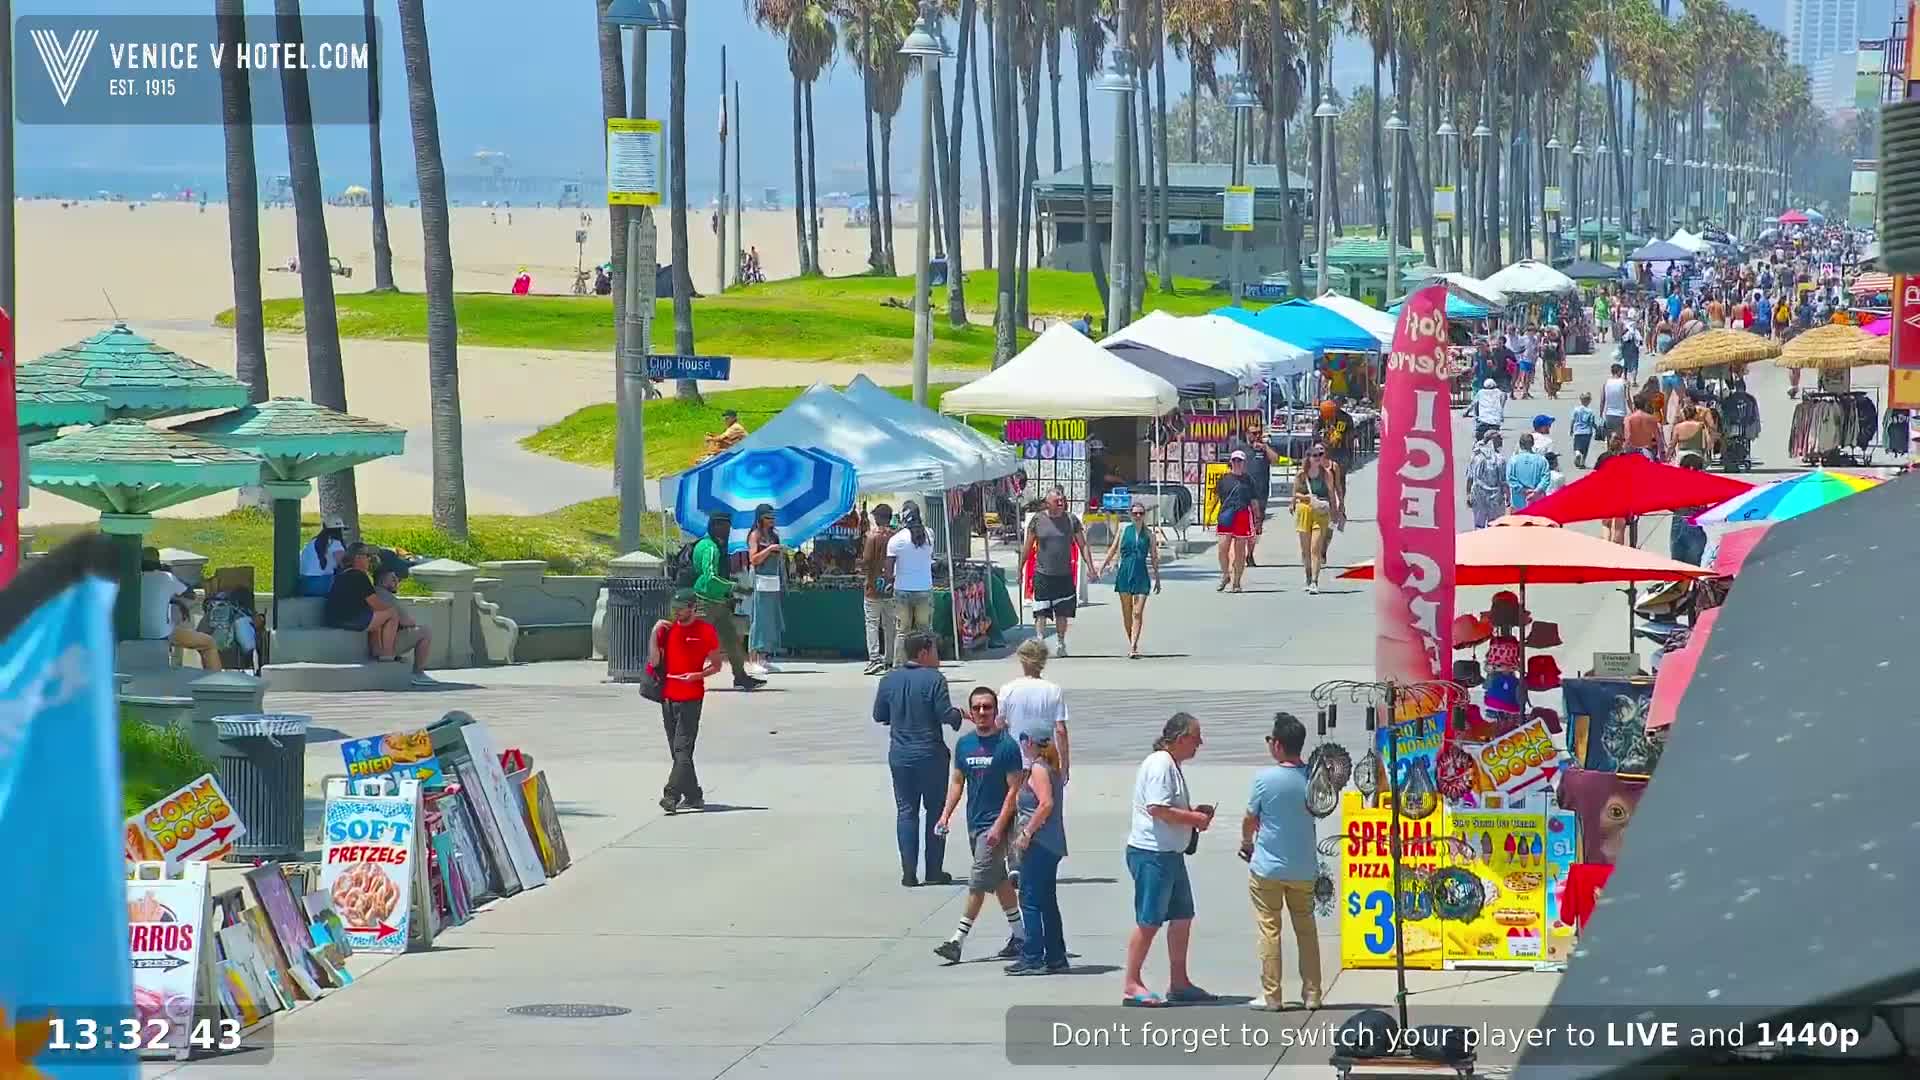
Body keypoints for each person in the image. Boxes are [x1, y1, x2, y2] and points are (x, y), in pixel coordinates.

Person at [1121, 713, 1216, 1008]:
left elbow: (1166, 806)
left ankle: (1179, 981)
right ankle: (1132, 983)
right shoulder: (1161, 764)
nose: (1199, 743)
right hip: (1152, 854)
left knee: (1182, 916)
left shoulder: (1170, 764)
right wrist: (1194, 818)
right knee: (1149, 920)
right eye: (1195, 737)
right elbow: (1157, 809)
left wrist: (1191, 812)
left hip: (1169, 854)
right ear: (1180, 738)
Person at [933, 686, 1028, 964]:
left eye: (988, 707)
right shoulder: (964, 744)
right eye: (977, 708)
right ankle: (1022, 936)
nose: (983, 712)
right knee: (999, 881)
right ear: (971, 713)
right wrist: (944, 815)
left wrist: (1000, 826)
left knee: (977, 882)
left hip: (996, 826)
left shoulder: (1007, 747)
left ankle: (956, 941)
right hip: (974, 824)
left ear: (996, 711)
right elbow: (957, 782)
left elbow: (1014, 791)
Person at [1241, 713, 1322, 1011]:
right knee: (1306, 930)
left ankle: (1272, 995)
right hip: (1303, 867)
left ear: (1277, 744)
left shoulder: (1265, 780)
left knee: (1269, 930)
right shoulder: (1313, 777)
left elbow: (1250, 819)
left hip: (1267, 868)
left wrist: (1246, 844)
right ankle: (1312, 993)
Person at [873, 630, 963, 888]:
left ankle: (909, 872)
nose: (939, 656)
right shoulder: (935, 679)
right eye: (935, 650)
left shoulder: (889, 679)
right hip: (930, 754)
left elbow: (879, 715)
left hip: (900, 755)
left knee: (906, 811)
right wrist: (958, 715)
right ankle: (934, 869)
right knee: (936, 811)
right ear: (923, 653)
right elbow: (944, 713)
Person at [646, 589, 722, 813]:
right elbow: (654, 660)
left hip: (691, 698)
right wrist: (654, 632)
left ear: (692, 607)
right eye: (674, 609)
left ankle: (671, 795)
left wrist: (696, 676)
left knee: (682, 749)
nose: (676, 613)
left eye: (681, 609)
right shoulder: (668, 630)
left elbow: (716, 665)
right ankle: (694, 795)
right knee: (678, 752)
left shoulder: (706, 631)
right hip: (669, 698)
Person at [1007, 727, 1069, 976]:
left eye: (1022, 741)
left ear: (1029, 742)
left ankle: (1033, 956)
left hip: (1039, 844)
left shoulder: (1039, 769)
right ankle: (1055, 956)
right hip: (1051, 843)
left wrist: (1026, 833)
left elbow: (1046, 804)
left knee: (1030, 900)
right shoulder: (1051, 768)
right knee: (1046, 901)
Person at [325, 543, 434, 685]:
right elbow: (376, 604)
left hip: (337, 618)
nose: (369, 560)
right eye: (367, 556)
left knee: (381, 616)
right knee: (390, 613)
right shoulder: (359, 576)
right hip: (349, 620)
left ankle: (381, 651)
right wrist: (394, 614)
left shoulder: (343, 574)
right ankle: (389, 655)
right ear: (357, 558)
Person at [691, 512, 764, 691]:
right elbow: (710, 577)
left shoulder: (713, 545)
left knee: (732, 641)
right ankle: (685, 676)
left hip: (718, 602)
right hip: (705, 603)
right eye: (722, 526)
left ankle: (740, 676)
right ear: (713, 526)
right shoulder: (710, 548)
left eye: (728, 526)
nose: (726, 530)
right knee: (696, 643)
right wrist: (735, 587)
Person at [1023, 488, 1092, 655]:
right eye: (1057, 501)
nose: (1061, 503)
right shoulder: (1037, 520)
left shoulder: (1071, 520)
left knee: (1062, 612)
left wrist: (1090, 566)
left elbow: (1082, 545)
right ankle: (1040, 643)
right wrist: (1020, 568)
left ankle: (1061, 643)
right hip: (1043, 574)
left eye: (1062, 500)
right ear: (1048, 503)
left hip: (1064, 574)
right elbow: (1027, 546)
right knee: (1040, 611)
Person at [998, 637, 1072, 784]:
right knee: (1047, 802)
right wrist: (1065, 766)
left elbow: (999, 725)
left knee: (1016, 803)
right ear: (1043, 661)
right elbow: (1060, 731)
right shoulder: (1053, 690)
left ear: (1022, 659)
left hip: (1016, 760)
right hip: (1046, 760)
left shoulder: (1008, 689)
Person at [138, 549, 221, 672]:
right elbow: (190, 595)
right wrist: (169, 573)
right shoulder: (166, 577)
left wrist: (173, 600)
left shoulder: (130, 579)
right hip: (160, 633)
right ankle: (216, 682)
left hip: (136, 631)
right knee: (209, 643)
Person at [1100, 501, 1161, 658]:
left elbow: (1154, 557)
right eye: (1135, 513)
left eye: (1141, 513)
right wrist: (1102, 567)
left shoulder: (1149, 535)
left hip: (1141, 573)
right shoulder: (1123, 530)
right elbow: (1114, 549)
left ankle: (1134, 645)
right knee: (1127, 612)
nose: (1138, 516)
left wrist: (1157, 577)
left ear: (1145, 515)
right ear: (1130, 514)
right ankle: (1131, 642)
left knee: (1137, 612)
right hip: (1125, 573)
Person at [887, 503, 937, 666]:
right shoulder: (929, 534)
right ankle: (928, 664)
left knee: (902, 632)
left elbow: (888, 571)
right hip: (924, 589)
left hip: (902, 590)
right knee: (925, 631)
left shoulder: (896, 540)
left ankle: (899, 666)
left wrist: (889, 581)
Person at [1292, 442, 1344, 595]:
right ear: (1308, 458)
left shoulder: (1326, 473)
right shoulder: (1301, 474)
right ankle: (1308, 577)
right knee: (1305, 550)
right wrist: (1307, 497)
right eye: (1315, 455)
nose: (1318, 458)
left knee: (1316, 548)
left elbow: (1331, 493)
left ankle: (1315, 581)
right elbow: (1295, 494)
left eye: (1320, 455)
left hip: (1321, 512)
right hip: (1304, 511)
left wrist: (1335, 511)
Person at [1229, 419, 1281, 565]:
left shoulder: (1264, 449)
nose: (1257, 435)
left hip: (1261, 492)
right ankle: (1239, 552)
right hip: (1243, 492)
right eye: (1254, 433)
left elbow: (1276, 460)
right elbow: (1231, 468)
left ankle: (1250, 553)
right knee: (1241, 523)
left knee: (1256, 525)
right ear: (1247, 434)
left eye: (1259, 433)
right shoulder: (1241, 449)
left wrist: (1265, 448)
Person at [745, 504, 786, 676]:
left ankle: (764, 657)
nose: (771, 521)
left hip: (773, 581)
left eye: (773, 518)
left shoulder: (774, 536)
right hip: (760, 581)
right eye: (768, 518)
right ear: (760, 518)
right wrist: (769, 550)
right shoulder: (755, 536)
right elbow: (753, 559)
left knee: (770, 620)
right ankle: (753, 658)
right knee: (759, 620)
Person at [861, 504, 897, 675]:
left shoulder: (872, 536)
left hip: (873, 588)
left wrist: (865, 572)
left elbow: (867, 560)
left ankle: (874, 658)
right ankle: (890, 658)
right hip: (890, 587)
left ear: (879, 517)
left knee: (872, 624)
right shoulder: (895, 536)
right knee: (890, 624)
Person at [1213, 450, 1256, 593]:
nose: (1237, 463)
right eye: (1235, 461)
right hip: (1226, 515)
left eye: (1240, 461)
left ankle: (1237, 582)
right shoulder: (1224, 479)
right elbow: (1216, 498)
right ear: (1231, 462)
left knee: (1240, 551)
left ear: (1244, 463)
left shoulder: (1248, 480)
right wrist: (1211, 517)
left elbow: (1254, 500)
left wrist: (1258, 520)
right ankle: (1226, 574)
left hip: (1243, 514)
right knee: (1222, 547)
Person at [1669, 454, 1711, 565]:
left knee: (1678, 568)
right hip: (1693, 525)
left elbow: (1670, 505)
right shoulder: (1702, 483)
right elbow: (1704, 510)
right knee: (1691, 568)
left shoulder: (1677, 483)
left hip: (1679, 524)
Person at [1593, 430, 1633, 544]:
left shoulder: (1603, 457)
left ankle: (1606, 547)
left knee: (1606, 523)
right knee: (1620, 525)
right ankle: (1618, 550)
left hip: (1607, 493)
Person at [1467, 430, 1508, 529]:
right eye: (1499, 439)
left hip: (1478, 494)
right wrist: (1508, 496)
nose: (1501, 442)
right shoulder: (1500, 459)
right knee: (1494, 526)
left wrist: (1468, 494)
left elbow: (1470, 477)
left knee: (1479, 525)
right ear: (1494, 442)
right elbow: (1503, 481)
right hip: (1495, 497)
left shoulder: (1476, 456)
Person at [295, 519, 347, 597]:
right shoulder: (335, 543)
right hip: (322, 585)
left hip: (304, 585)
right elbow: (345, 564)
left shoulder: (312, 542)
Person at [1506, 433, 1552, 511]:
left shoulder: (1513, 460)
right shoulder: (1542, 460)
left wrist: (1523, 490)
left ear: (1520, 445)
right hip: (1538, 500)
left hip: (1519, 502)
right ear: (1533, 444)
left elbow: (1510, 479)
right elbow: (1546, 478)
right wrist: (1536, 491)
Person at [1625, 394, 1663, 459]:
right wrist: (1661, 454)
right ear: (1644, 405)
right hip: (1647, 450)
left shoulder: (1629, 419)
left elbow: (1628, 437)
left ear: (1635, 405)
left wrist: (1626, 451)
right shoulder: (1651, 418)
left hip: (1634, 450)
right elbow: (1658, 438)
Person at [1599, 363, 1631, 441]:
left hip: (1609, 413)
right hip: (1621, 414)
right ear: (1619, 371)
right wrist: (1632, 410)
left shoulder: (1606, 383)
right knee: (1620, 437)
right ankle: (1618, 452)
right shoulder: (1624, 383)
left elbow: (1602, 399)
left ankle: (1610, 451)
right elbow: (1627, 398)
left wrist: (1601, 413)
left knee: (1610, 437)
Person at [1571, 392, 1599, 469]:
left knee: (1577, 446)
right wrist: (1596, 428)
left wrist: (1571, 429)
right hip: (1587, 432)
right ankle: (1582, 462)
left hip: (1578, 431)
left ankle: (1577, 454)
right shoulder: (1590, 411)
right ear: (1589, 401)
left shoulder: (1576, 410)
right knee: (1585, 448)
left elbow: (1573, 420)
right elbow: (1591, 422)